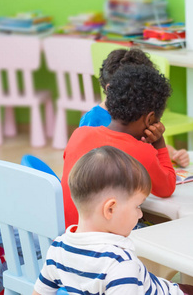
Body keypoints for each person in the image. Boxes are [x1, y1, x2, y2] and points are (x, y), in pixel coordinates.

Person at [33, 146, 193, 295]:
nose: (140, 215)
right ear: (110, 209)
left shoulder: (57, 248)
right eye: (138, 206)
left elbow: (39, 292)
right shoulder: (120, 262)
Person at [61, 64, 176, 228]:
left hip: (70, 233)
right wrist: (159, 143)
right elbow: (167, 188)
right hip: (104, 243)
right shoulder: (141, 152)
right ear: (150, 119)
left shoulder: (79, 134)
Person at [79, 47, 189, 167]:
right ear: (111, 89)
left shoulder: (138, 113)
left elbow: (146, 144)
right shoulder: (91, 121)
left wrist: (173, 153)